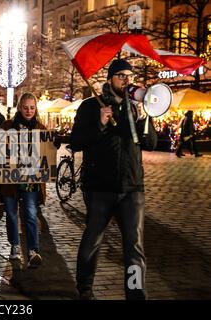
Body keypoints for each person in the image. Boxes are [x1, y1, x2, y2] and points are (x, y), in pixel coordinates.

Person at [71, 59, 158, 300]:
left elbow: (150, 143)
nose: (127, 80)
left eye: (130, 76)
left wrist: (145, 118)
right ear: (110, 79)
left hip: (132, 188)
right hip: (100, 187)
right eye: (121, 76)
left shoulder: (136, 108)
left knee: (135, 246)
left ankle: (136, 292)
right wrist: (99, 123)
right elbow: (76, 141)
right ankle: (85, 286)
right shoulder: (91, 106)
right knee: (93, 239)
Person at [0, 92, 47, 269]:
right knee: (11, 214)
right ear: (19, 108)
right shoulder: (6, 126)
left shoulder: (41, 128)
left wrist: (52, 145)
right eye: (25, 107)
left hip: (31, 181)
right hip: (10, 180)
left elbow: (46, 153)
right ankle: (15, 245)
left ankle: (33, 250)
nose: (29, 111)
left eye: (32, 108)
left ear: (36, 109)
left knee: (30, 214)